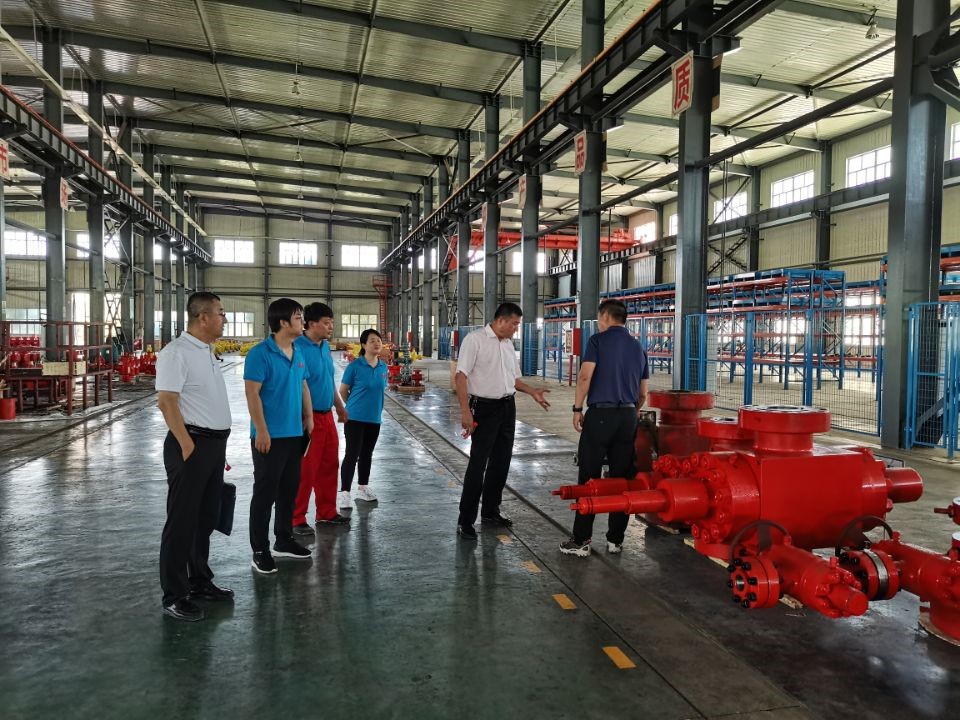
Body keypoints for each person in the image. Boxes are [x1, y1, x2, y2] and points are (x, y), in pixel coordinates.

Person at [156, 292, 233, 622]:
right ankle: (175, 594)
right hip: (191, 445)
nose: (224, 318)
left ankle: (199, 581)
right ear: (203, 317)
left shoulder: (206, 350)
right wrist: (187, 445)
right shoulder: (177, 353)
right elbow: (167, 401)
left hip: (213, 446)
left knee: (205, 518)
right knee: (182, 521)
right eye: (220, 313)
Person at [559, 299, 649, 557]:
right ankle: (615, 540)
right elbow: (643, 392)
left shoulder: (597, 341)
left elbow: (585, 376)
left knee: (589, 475)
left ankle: (581, 540)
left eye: (600, 318)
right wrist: (632, 410)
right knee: (622, 478)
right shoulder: (638, 347)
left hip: (600, 415)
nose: (599, 323)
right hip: (628, 416)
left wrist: (577, 408)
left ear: (606, 317)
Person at [455, 302, 551, 539]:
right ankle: (465, 520)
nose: (516, 329)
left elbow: (513, 379)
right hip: (484, 409)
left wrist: (532, 392)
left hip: (508, 407)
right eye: (515, 324)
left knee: (501, 462)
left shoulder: (508, 344)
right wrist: (465, 411)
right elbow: (460, 376)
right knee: (478, 464)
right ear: (501, 320)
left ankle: (490, 512)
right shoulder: (475, 341)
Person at [244, 298, 314, 574]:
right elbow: (252, 393)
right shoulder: (260, 354)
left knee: (288, 491)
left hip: (294, 434)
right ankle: (260, 549)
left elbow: (304, 385)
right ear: (283, 322)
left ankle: (283, 540)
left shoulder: (298, 351)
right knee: (265, 494)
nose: (302, 322)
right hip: (269, 437)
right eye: (298, 318)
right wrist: (261, 429)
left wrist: (309, 417)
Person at [292, 302, 349, 535]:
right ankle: (296, 518)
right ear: (311, 324)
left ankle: (326, 512)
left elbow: (328, 380)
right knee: (306, 470)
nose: (330, 327)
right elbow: (297, 385)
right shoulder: (297, 347)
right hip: (307, 418)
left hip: (327, 416)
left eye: (332, 322)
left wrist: (339, 406)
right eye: (326, 323)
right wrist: (305, 418)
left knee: (329, 465)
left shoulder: (325, 347)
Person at [338, 329, 389, 507]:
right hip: (354, 418)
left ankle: (362, 488)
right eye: (372, 340)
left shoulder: (383, 367)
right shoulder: (355, 366)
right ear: (363, 345)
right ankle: (345, 493)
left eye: (379, 340)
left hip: (374, 419)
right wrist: (353, 407)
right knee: (352, 454)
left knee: (367, 454)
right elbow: (343, 391)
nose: (377, 343)